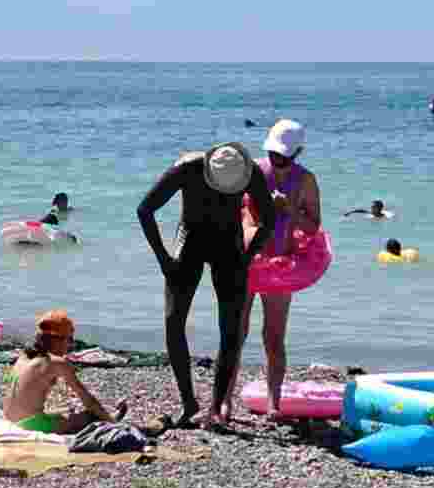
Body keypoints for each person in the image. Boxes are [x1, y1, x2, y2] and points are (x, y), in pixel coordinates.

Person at [137, 142, 275, 428]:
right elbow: (145, 210)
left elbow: (269, 221)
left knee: (232, 330)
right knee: (174, 321)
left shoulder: (249, 173)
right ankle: (188, 402)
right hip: (190, 241)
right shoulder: (187, 168)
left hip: (230, 246)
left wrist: (248, 257)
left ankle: (215, 407)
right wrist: (164, 259)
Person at [238, 119, 322, 420]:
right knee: (236, 332)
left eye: (284, 157)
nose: (278, 161)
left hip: (281, 265)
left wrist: (291, 212)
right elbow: (241, 215)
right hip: (247, 260)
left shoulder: (305, 180)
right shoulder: (254, 172)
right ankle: (222, 403)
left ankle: (275, 404)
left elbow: (313, 227)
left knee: (273, 337)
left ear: (297, 153)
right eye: (274, 155)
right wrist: (257, 216)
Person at [3, 310, 126, 434]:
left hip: (9, 419)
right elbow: (88, 400)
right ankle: (112, 421)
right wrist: (112, 423)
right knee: (89, 416)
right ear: (57, 339)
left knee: (68, 410)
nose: (70, 344)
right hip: (30, 425)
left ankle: (105, 417)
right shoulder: (56, 362)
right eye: (69, 339)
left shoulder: (23, 356)